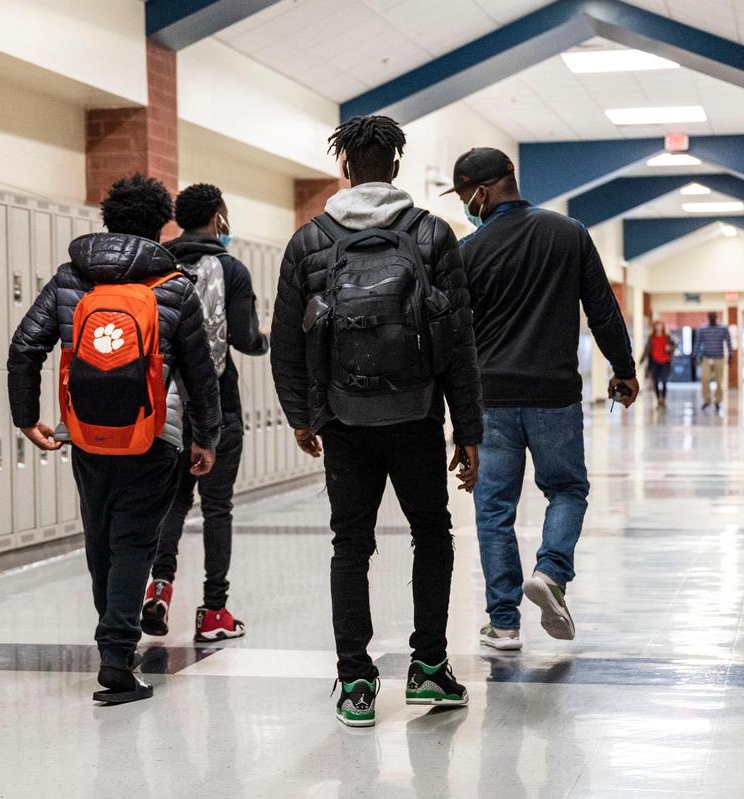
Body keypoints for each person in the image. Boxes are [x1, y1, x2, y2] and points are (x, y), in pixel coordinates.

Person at [270, 115, 483, 727]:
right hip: (416, 416)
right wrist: (467, 430)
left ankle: (357, 682)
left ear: (344, 168)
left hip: (342, 418)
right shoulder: (431, 234)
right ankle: (430, 669)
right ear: (395, 166)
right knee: (432, 535)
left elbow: (287, 339)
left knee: (350, 546)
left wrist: (302, 416)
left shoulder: (309, 240)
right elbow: (458, 343)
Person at [7, 174, 221, 704]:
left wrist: (27, 417)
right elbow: (200, 374)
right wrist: (207, 437)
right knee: (134, 541)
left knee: (100, 535)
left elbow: (25, 346)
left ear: (106, 219)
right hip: (154, 434)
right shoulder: (174, 287)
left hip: (85, 433)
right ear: (160, 224)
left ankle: (114, 643)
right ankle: (115, 653)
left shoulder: (69, 279)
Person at [448, 147, 637, 652]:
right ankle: (550, 572)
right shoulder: (568, 234)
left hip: (491, 400)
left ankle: (504, 623)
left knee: (493, 510)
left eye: (465, 194)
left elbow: (456, 341)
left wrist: (460, 417)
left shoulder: (468, 252)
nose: (465, 204)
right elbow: (603, 312)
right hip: (553, 395)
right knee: (567, 490)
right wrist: (624, 369)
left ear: (482, 191)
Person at [141, 184, 270, 643]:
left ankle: (160, 587)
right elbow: (243, 337)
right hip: (216, 405)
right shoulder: (230, 269)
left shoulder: (157, 262)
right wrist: (264, 337)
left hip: (165, 406)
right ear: (218, 217)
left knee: (173, 502)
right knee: (218, 507)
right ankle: (214, 611)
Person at [695, 311, 732, 411]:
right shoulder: (702, 328)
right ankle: (707, 400)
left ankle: (718, 401)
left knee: (719, 381)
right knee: (704, 378)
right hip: (706, 358)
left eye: (713, 316)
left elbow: (728, 342)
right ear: (708, 317)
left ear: (716, 317)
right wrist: (695, 356)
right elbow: (698, 343)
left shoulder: (723, 328)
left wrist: (730, 355)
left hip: (719, 358)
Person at [641, 320, 677, 408]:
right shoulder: (651, 337)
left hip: (665, 362)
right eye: (657, 326)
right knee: (655, 382)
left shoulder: (668, 337)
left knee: (664, 380)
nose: (658, 327)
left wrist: (670, 348)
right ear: (654, 327)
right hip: (654, 362)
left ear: (663, 327)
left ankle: (664, 399)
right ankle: (658, 400)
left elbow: (674, 347)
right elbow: (646, 350)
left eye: (660, 325)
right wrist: (641, 361)